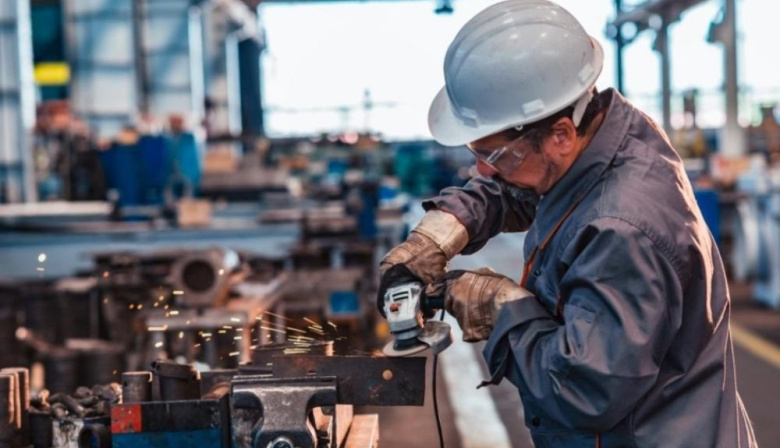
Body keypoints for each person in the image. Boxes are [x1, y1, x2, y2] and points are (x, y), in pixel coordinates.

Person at [377, 1, 757, 447]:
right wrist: (440, 233)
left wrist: (498, 307)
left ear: (559, 133)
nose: (481, 171)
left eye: (492, 155)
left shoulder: (623, 230)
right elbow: (517, 185)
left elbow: (582, 389)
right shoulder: (601, 137)